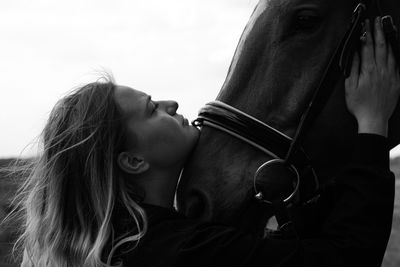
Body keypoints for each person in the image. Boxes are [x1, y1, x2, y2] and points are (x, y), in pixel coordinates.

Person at [17, 17, 399, 267]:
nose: (172, 103)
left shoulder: (131, 246)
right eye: (152, 109)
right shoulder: (178, 252)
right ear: (132, 160)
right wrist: (373, 122)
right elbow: (343, 258)